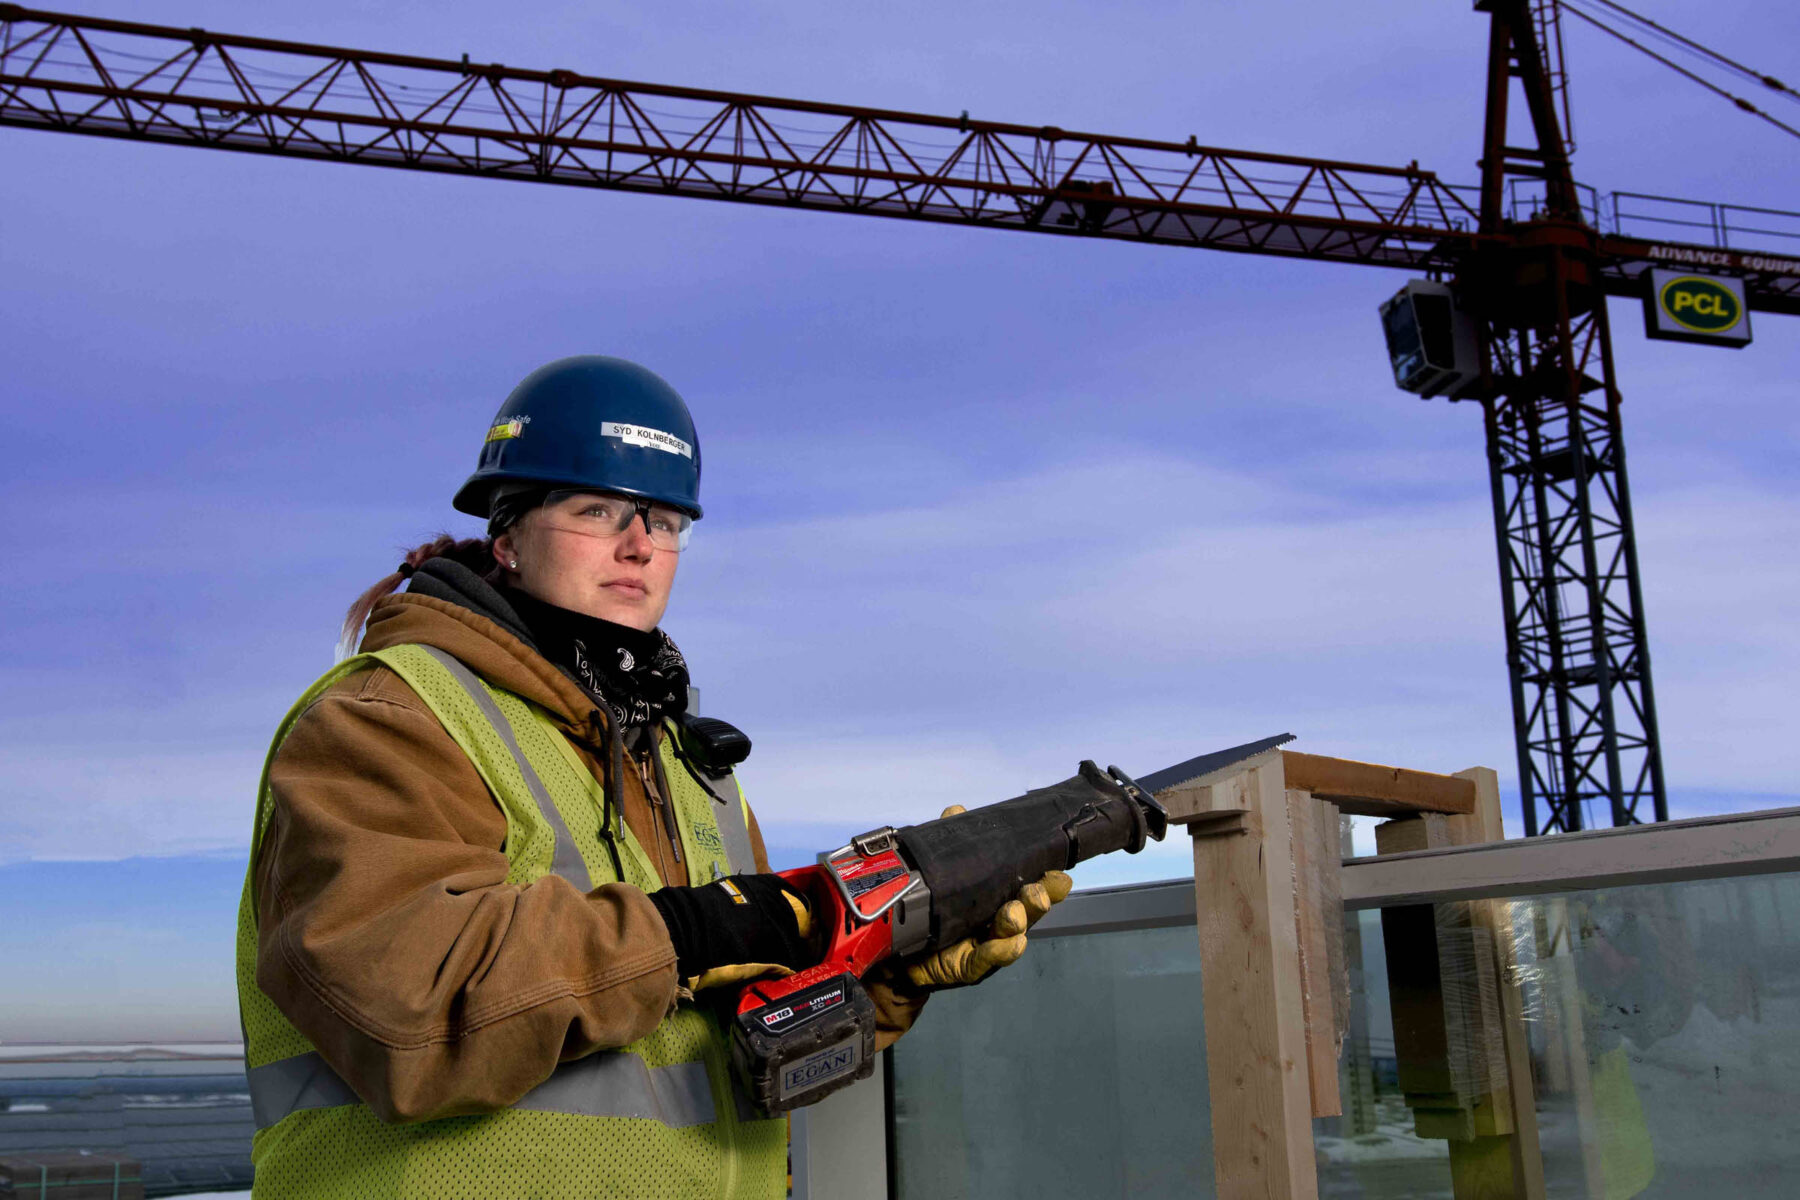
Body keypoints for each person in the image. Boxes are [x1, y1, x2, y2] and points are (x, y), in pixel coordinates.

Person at [233, 356, 1070, 1200]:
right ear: (507, 533)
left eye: (665, 520)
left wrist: (885, 977)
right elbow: (411, 1015)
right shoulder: (390, 719)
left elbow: (732, 1057)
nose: (639, 543)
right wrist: (691, 931)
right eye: (597, 509)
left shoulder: (693, 768)